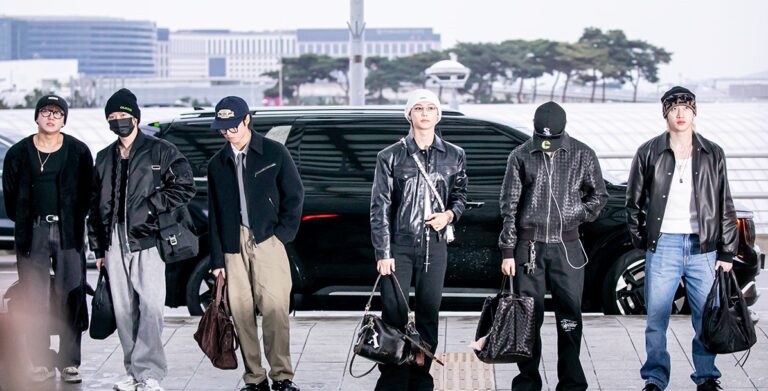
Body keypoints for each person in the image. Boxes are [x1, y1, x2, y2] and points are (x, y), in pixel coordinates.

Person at [626, 86, 737, 391]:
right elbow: (632, 202)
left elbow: (725, 203)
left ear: (693, 112)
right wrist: (645, 241)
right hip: (663, 245)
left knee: (705, 317)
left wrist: (727, 252)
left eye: (686, 108)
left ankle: (707, 378)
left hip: (703, 247)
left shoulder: (713, 152)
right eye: (674, 108)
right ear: (665, 113)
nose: (680, 114)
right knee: (656, 318)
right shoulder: (649, 151)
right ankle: (654, 378)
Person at [87, 88, 195, 391]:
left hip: (148, 240)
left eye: (123, 115)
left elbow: (185, 186)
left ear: (135, 117)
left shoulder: (160, 150)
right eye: (113, 117)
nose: (118, 121)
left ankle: (151, 373)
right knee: (123, 310)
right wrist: (98, 247)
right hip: (113, 241)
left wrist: (151, 205)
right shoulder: (104, 156)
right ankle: (134, 371)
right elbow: (94, 206)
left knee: (150, 307)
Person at [499, 101, 608, 391]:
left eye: (553, 140)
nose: (547, 146)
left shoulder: (582, 154)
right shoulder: (520, 155)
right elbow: (508, 206)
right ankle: (527, 381)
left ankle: (572, 382)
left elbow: (599, 196)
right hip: (528, 248)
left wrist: (576, 213)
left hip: (568, 248)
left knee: (570, 315)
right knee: (527, 316)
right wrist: (508, 250)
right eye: (542, 140)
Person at [370, 89, 468, 390]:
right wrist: (383, 252)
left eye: (430, 108)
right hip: (399, 245)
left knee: (428, 312)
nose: (424, 113)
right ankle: (392, 380)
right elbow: (380, 207)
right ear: (409, 115)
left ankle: (421, 379)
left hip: (435, 245)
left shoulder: (455, 154)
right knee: (394, 314)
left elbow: (461, 196)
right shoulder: (390, 156)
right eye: (418, 108)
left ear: (438, 115)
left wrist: (449, 215)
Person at [207, 96, 304, 391]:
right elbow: (214, 213)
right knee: (240, 311)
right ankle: (254, 378)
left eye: (232, 125)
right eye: (222, 127)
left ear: (247, 119)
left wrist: (281, 235)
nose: (227, 132)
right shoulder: (217, 164)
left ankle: (282, 376)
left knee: (275, 310)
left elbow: (295, 195)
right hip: (231, 244)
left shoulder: (274, 152)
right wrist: (216, 261)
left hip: (267, 238)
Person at [2, 95, 92, 384]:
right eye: (45, 112)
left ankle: (69, 362)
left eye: (57, 113)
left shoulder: (78, 151)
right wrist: (28, 222)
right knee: (34, 298)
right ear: (36, 117)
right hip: (33, 233)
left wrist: (77, 220)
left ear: (64, 119)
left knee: (71, 295)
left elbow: (88, 192)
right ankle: (40, 360)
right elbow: (11, 194)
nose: (51, 117)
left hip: (68, 234)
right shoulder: (18, 152)